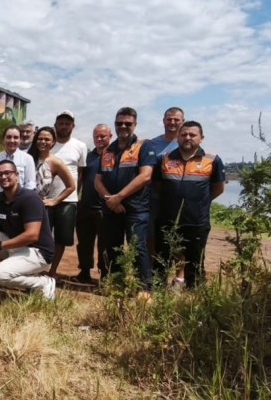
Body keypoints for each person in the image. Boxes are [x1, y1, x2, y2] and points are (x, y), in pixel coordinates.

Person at [0, 160, 57, 300]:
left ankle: (43, 282)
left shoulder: (29, 198)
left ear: (17, 175)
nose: (3, 177)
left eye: (7, 173)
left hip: (38, 252)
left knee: (0, 274)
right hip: (16, 247)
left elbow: (32, 235)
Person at [154, 121, 225, 289]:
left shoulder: (212, 160)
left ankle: (193, 296)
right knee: (162, 259)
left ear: (201, 138)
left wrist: (199, 203)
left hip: (196, 221)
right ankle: (158, 293)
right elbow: (157, 186)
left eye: (192, 135)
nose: (187, 138)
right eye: (183, 134)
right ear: (178, 137)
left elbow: (218, 188)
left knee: (195, 261)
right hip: (167, 220)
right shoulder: (164, 159)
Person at [94, 107, 156, 293]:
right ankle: (117, 284)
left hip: (136, 209)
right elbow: (98, 181)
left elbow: (145, 176)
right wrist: (110, 200)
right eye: (119, 123)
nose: (123, 126)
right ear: (115, 124)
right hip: (111, 208)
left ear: (135, 125)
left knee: (138, 248)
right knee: (113, 248)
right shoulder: (107, 150)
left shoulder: (144, 146)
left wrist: (119, 197)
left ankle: (144, 289)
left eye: (128, 123)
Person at [28, 126, 76, 276]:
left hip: (41, 207)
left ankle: (50, 272)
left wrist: (54, 201)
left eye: (47, 139)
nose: (43, 142)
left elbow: (71, 186)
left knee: (43, 241)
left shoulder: (55, 162)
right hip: (24, 205)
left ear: (53, 142)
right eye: (40, 138)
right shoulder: (27, 157)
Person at [50, 110, 87, 277]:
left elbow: (80, 174)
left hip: (68, 200)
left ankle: (52, 271)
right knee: (38, 234)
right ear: (55, 125)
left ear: (73, 126)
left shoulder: (80, 146)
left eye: (67, 123)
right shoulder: (47, 143)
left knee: (61, 238)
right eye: (61, 123)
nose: (64, 126)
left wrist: (72, 194)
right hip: (45, 198)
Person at [74, 124, 112, 284]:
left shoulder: (114, 155)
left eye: (103, 136)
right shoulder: (88, 157)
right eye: (96, 136)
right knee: (84, 243)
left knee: (105, 244)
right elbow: (80, 178)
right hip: (85, 206)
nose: (99, 139)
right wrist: (76, 197)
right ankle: (84, 271)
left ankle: (104, 275)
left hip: (105, 208)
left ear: (110, 137)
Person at [149, 107, 185, 262]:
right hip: (153, 198)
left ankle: (180, 275)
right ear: (163, 121)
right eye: (169, 119)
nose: (172, 122)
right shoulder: (152, 144)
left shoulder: (187, 142)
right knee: (151, 234)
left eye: (176, 119)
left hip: (179, 200)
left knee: (178, 236)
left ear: (182, 121)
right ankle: (151, 270)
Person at [0, 126, 36, 202]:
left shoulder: (28, 159)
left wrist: (25, 203)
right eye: (8, 137)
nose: (12, 140)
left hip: (20, 202)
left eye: (16, 137)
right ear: (3, 139)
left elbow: (30, 184)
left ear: (20, 140)